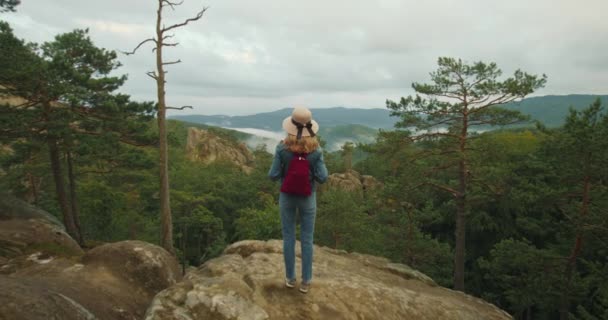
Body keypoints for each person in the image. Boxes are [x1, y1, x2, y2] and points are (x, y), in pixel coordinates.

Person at [268, 106, 328, 294]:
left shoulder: (282, 148)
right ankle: (306, 282)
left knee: (288, 237)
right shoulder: (316, 151)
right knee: (307, 239)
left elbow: (273, 175)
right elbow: (323, 177)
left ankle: (290, 278)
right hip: (308, 198)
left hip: (287, 197)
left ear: (290, 127)